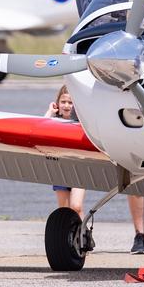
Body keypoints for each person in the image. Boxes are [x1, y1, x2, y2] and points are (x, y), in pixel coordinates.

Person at [47, 84, 85, 218]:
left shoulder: (81, 121)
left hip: (79, 169)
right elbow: (41, 127)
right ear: (57, 103)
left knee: (76, 206)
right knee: (64, 210)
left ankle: (83, 235)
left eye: (70, 102)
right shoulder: (54, 120)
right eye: (63, 102)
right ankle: (67, 236)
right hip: (60, 169)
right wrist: (50, 112)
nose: (67, 106)